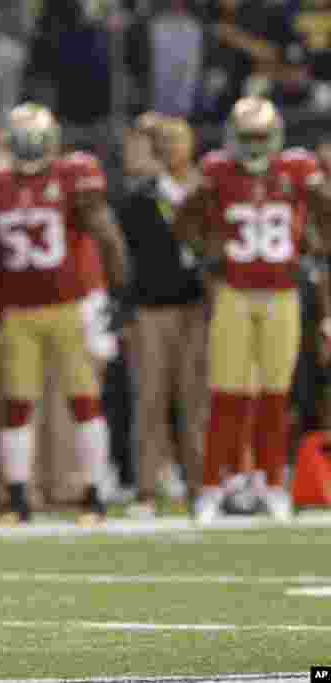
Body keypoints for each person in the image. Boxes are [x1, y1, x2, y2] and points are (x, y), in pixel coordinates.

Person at [173, 96, 331, 523]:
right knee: (227, 394)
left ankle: (270, 482)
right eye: (248, 138)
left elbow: (325, 218)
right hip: (235, 292)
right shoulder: (217, 172)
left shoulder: (297, 170)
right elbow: (184, 221)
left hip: (281, 292)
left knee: (275, 397)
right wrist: (206, 250)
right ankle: (213, 484)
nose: (256, 146)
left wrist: (314, 234)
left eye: (262, 137)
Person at [0, 103, 129, 524]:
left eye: (34, 140)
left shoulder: (71, 176)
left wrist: (117, 292)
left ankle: (95, 495)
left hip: (69, 305)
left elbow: (107, 234)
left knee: (83, 400)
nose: (28, 148)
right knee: (17, 404)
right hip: (18, 308)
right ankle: (19, 498)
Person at [121, 116, 208, 518]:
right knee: (150, 399)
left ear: (190, 145)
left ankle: (200, 485)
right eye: (164, 141)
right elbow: (130, 254)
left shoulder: (208, 189)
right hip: (150, 307)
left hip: (195, 306)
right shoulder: (140, 195)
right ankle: (146, 488)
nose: (171, 147)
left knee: (195, 399)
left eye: (178, 140)